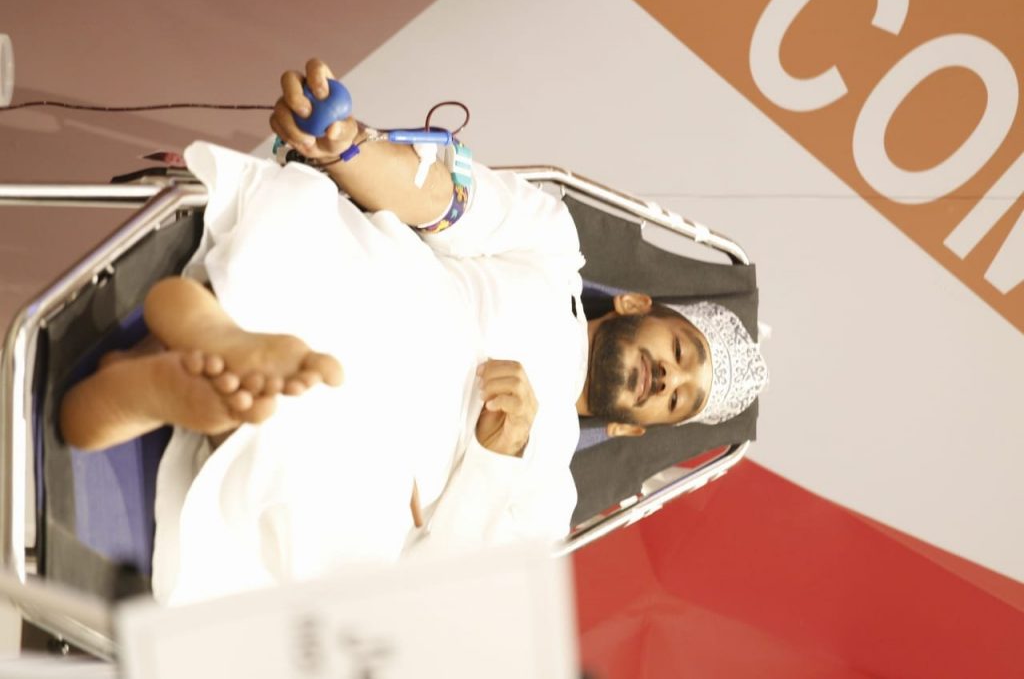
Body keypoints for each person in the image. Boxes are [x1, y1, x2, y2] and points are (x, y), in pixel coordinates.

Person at [59, 60, 767, 604]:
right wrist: (343, 147)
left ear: (635, 428)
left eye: (676, 398)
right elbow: (438, 200)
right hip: (384, 297)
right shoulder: (555, 249)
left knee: (349, 507)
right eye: (680, 352)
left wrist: (496, 458)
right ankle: (206, 370)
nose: (667, 378)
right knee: (333, 299)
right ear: (638, 303)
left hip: (382, 459)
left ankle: (182, 364)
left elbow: (435, 594)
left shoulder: (547, 496)